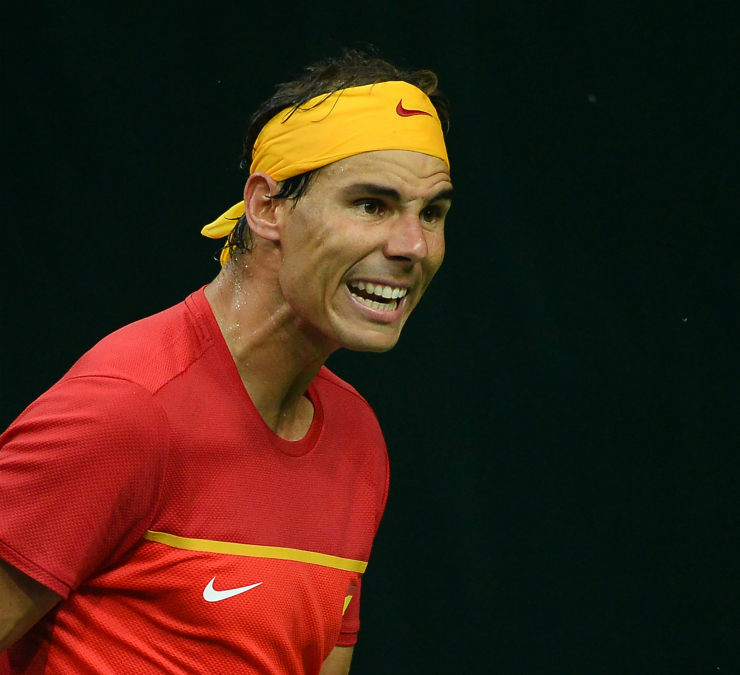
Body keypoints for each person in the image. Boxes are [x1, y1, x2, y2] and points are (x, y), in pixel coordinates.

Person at [0, 49, 452, 674]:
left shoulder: (358, 440)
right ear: (269, 207)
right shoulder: (126, 410)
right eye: (372, 205)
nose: (414, 246)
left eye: (432, 213)